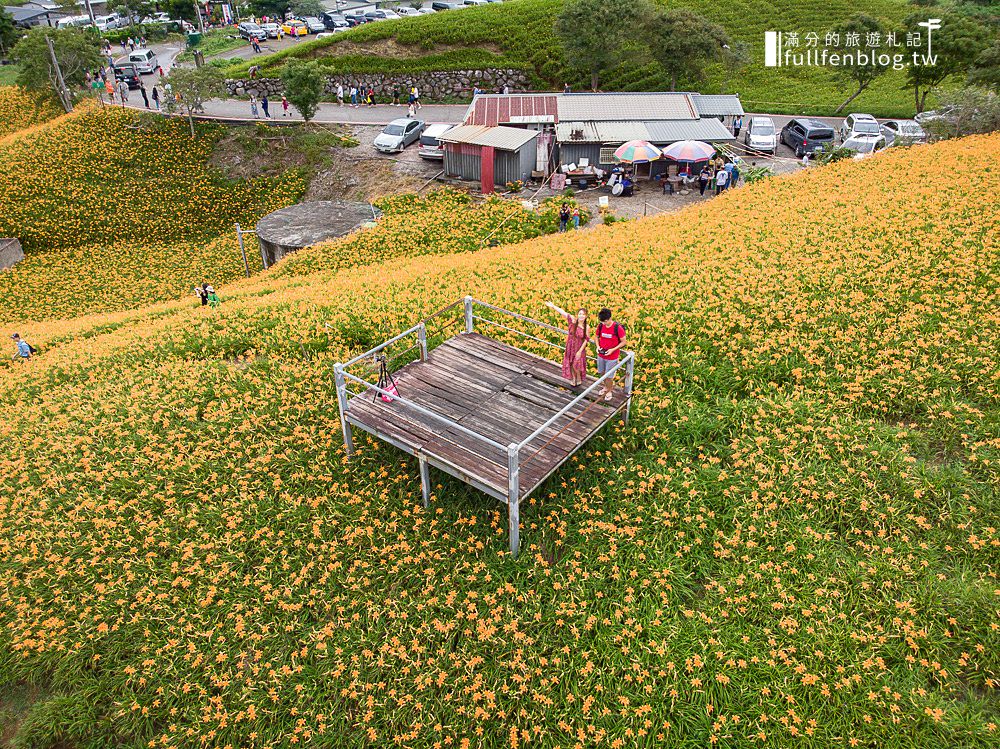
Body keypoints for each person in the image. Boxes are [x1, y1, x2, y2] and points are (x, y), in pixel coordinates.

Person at [545, 302, 590, 387]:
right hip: (570, 346)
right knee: (571, 363)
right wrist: (553, 306)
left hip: (579, 348)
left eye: (583, 314)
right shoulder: (573, 320)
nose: (581, 316)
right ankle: (573, 378)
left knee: (577, 365)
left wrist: (580, 351)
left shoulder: (587, 327)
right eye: (580, 314)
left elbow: (586, 340)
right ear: (577, 315)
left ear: (586, 316)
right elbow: (563, 313)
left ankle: (579, 377)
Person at [595, 309, 625, 401]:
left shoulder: (618, 328)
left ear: (610, 318)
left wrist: (613, 350)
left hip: (612, 357)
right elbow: (596, 337)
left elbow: (624, 342)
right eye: (602, 321)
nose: (604, 323)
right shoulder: (600, 326)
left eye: (605, 321)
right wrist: (597, 346)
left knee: (609, 376)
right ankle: (605, 387)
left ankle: (609, 391)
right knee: (602, 373)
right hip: (601, 355)